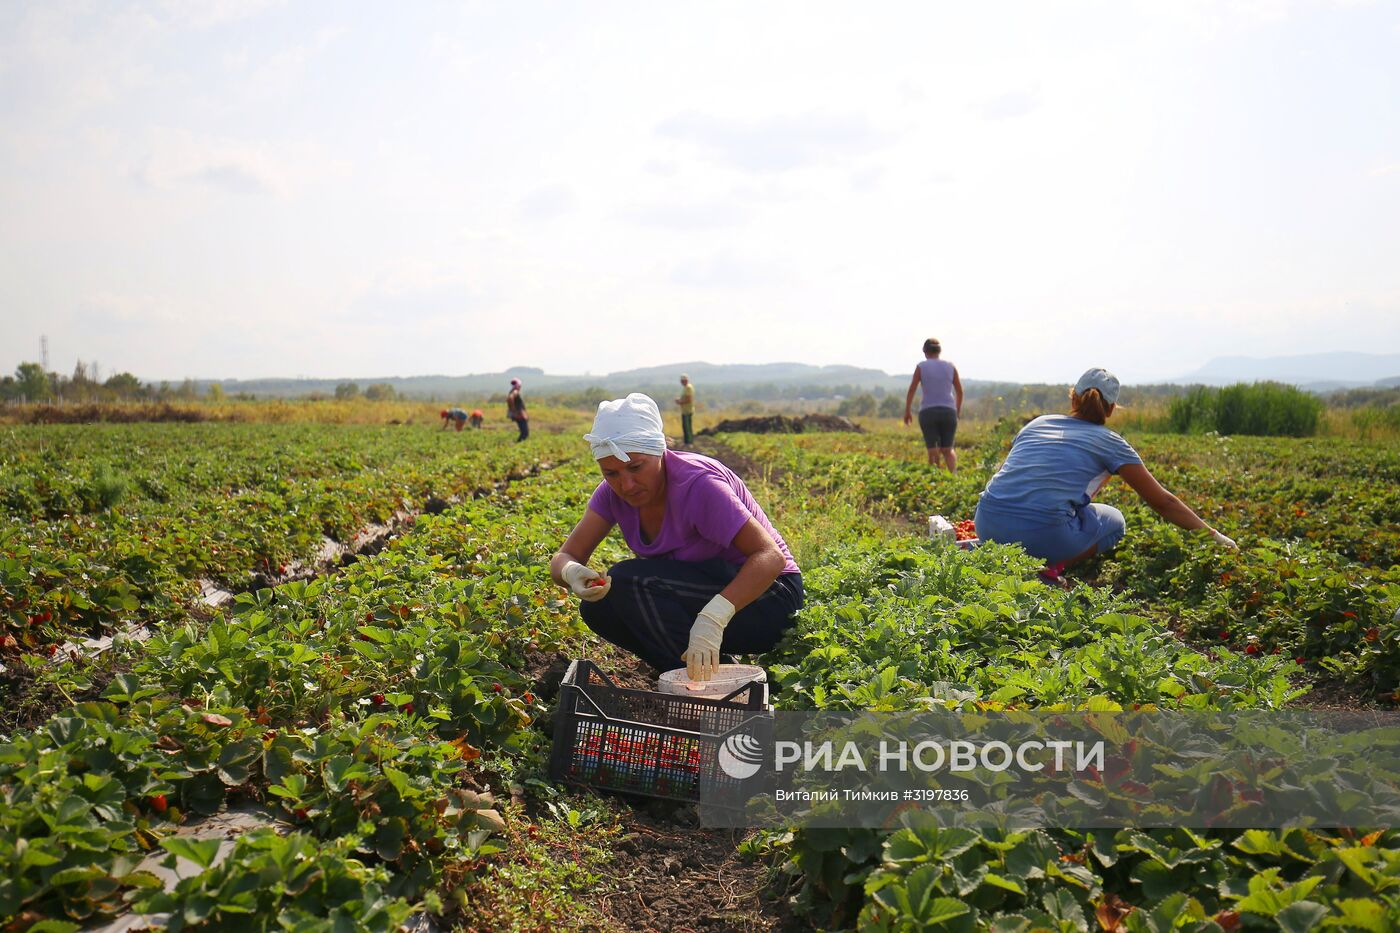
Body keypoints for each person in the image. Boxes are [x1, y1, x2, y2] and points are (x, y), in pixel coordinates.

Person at [549, 393, 804, 681]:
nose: (626, 484)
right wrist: (571, 572)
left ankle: (711, 686)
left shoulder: (698, 484)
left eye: (635, 467)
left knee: (627, 581)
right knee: (599, 607)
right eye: (611, 473)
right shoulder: (611, 495)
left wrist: (712, 619)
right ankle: (707, 676)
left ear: (659, 452)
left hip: (769, 598)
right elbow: (564, 557)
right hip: (710, 586)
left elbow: (770, 558)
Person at [974, 367, 1238, 581]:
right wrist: (1212, 535)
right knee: (1115, 521)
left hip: (986, 523)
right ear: (1111, 409)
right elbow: (1163, 502)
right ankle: (1048, 568)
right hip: (1043, 535)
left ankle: (1004, 560)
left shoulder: (1038, 423)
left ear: (1073, 397)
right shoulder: (1110, 442)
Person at [903, 338, 963, 472]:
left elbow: (912, 389)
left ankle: (935, 480)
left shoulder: (921, 367)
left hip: (928, 412)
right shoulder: (950, 366)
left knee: (933, 449)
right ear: (939, 351)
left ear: (925, 351)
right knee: (948, 449)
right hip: (948, 411)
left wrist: (907, 410)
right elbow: (959, 391)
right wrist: (957, 411)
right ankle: (953, 478)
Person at [675, 374, 696, 445]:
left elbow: (689, 399)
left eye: (682, 380)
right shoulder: (686, 388)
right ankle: (687, 441)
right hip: (685, 410)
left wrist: (680, 402)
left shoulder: (688, 388)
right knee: (685, 426)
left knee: (687, 427)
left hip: (687, 410)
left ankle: (689, 442)